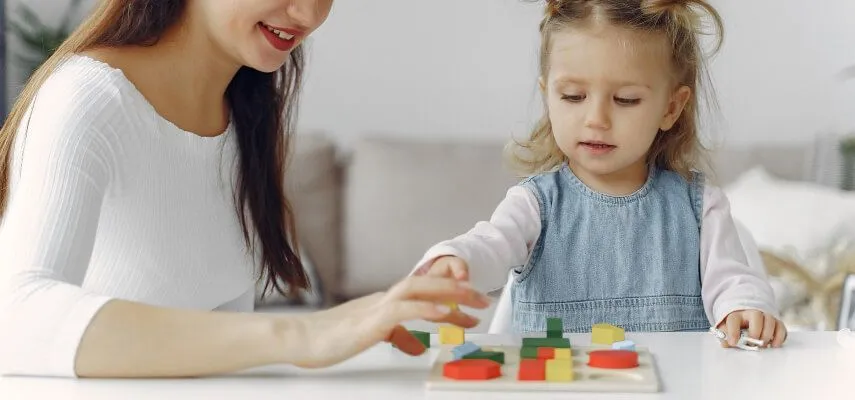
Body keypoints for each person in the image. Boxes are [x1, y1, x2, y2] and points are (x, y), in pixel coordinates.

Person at [0, 0, 490, 378]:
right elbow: (14, 321)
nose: (310, 13)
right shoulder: (89, 100)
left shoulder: (242, 111)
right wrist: (302, 332)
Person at [414, 0, 788, 348]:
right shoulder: (534, 205)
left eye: (626, 100)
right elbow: (490, 246)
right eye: (573, 96)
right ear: (548, 97)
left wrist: (744, 307)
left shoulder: (700, 207)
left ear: (671, 107)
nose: (596, 119)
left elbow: (734, 280)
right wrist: (455, 261)